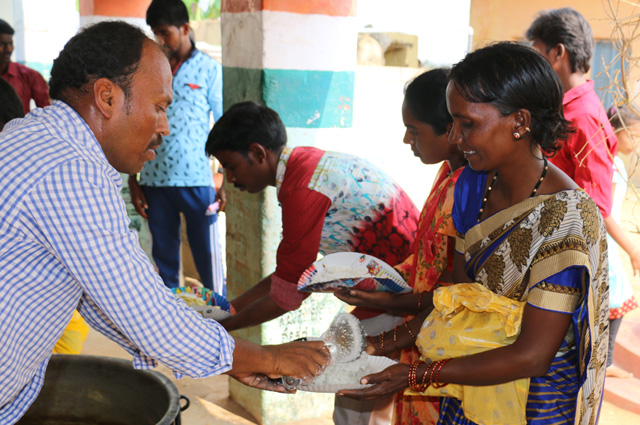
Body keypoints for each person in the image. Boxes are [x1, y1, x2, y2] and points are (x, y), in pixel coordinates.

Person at [0, 21, 330, 425]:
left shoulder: (36, 138)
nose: (165, 127)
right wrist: (270, 357)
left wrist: (225, 356)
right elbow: (141, 310)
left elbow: (105, 300)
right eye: (159, 106)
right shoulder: (69, 169)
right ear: (107, 96)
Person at [338, 42, 609, 425]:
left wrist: (417, 375)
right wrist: (376, 344)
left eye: (468, 124)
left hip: (534, 403)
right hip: (468, 387)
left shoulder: (565, 218)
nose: (456, 138)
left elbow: (533, 355)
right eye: (452, 123)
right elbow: (457, 300)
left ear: (519, 122)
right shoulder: (470, 186)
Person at [206, 101, 420, 424]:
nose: (231, 178)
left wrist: (223, 328)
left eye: (232, 166)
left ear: (259, 153)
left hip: (401, 291)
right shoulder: (303, 163)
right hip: (391, 286)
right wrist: (232, 309)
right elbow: (289, 275)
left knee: (353, 397)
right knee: (362, 396)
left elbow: (286, 297)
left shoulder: (303, 188)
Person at [334, 68, 465, 425]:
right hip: (419, 327)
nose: (408, 139)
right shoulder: (446, 174)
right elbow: (425, 262)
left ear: (452, 130)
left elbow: (452, 294)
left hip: (441, 337)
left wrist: (387, 325)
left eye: (415, 130)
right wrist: (368, 289)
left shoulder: (466, 192)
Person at [128, 0, 226, 296]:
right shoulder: (149, 71)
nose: (160, 40)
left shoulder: (209, 69)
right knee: (164, 264)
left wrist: (224, 181)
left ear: (185, 29)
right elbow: (133, 122)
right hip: (154, 182)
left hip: (197, 181)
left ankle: (223, 322)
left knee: (209, 259)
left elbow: (222, 126)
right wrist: (133, 179)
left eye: (164, 33)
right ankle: (172, 326)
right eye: (154, 33)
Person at [526, 8, 620, 239]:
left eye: (537, 53)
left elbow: (592, 208)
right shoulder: (558, 108)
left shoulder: (584, 117)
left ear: (558, 52)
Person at [604, 104, 640, 378]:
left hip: (611, 240)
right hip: (607, 240)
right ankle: (606, 362)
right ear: (617, 131)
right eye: (635, 135)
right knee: (618, 296)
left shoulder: (616, 162)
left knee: (616, 297)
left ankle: (606, 360)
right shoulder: (611, 164)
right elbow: (604, 212)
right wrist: (631, 247)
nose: (637, 141)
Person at [0, 19, 50, 113]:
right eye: (2, 44)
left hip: (18, 127)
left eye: (11, 43)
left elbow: (47, 112)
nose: (9, 49)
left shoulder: (29, 76)